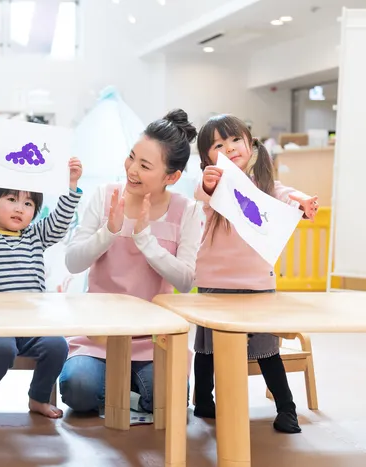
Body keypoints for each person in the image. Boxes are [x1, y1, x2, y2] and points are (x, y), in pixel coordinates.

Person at [59, 109, 203, 415]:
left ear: (172, 177)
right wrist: (109, 231)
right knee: (78, 390)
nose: (131, 170)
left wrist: (146, 240)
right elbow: (73, 262)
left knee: (172, 397)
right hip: (99, 335)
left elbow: (186, 282)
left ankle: (119, 392)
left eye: (145, 165)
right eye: (132, 157)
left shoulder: (186, 210)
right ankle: (122, 390)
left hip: (155, 340)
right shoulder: (104, 196)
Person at [192, 114, 319, 434]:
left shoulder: (265, 183)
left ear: (250, 143)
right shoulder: (215, 180)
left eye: (236, 140)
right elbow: (201, 194)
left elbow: (285, 193)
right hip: (214, 281)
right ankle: (203, 400)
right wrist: (209, 182)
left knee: (267, 350)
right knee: (206, 348)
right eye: (219, 144)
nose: (230, 148)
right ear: (208, 155)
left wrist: (303, 201)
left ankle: (286, 408)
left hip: (257, 283)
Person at [0, 137, 83, 422]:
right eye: (11, 199)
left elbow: (60, 224)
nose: (20, 208)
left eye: (28, 203)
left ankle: (38, 398)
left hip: (31, 325)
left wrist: (71, 186)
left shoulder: (34, 236)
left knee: (57, 345)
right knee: (2, 349)